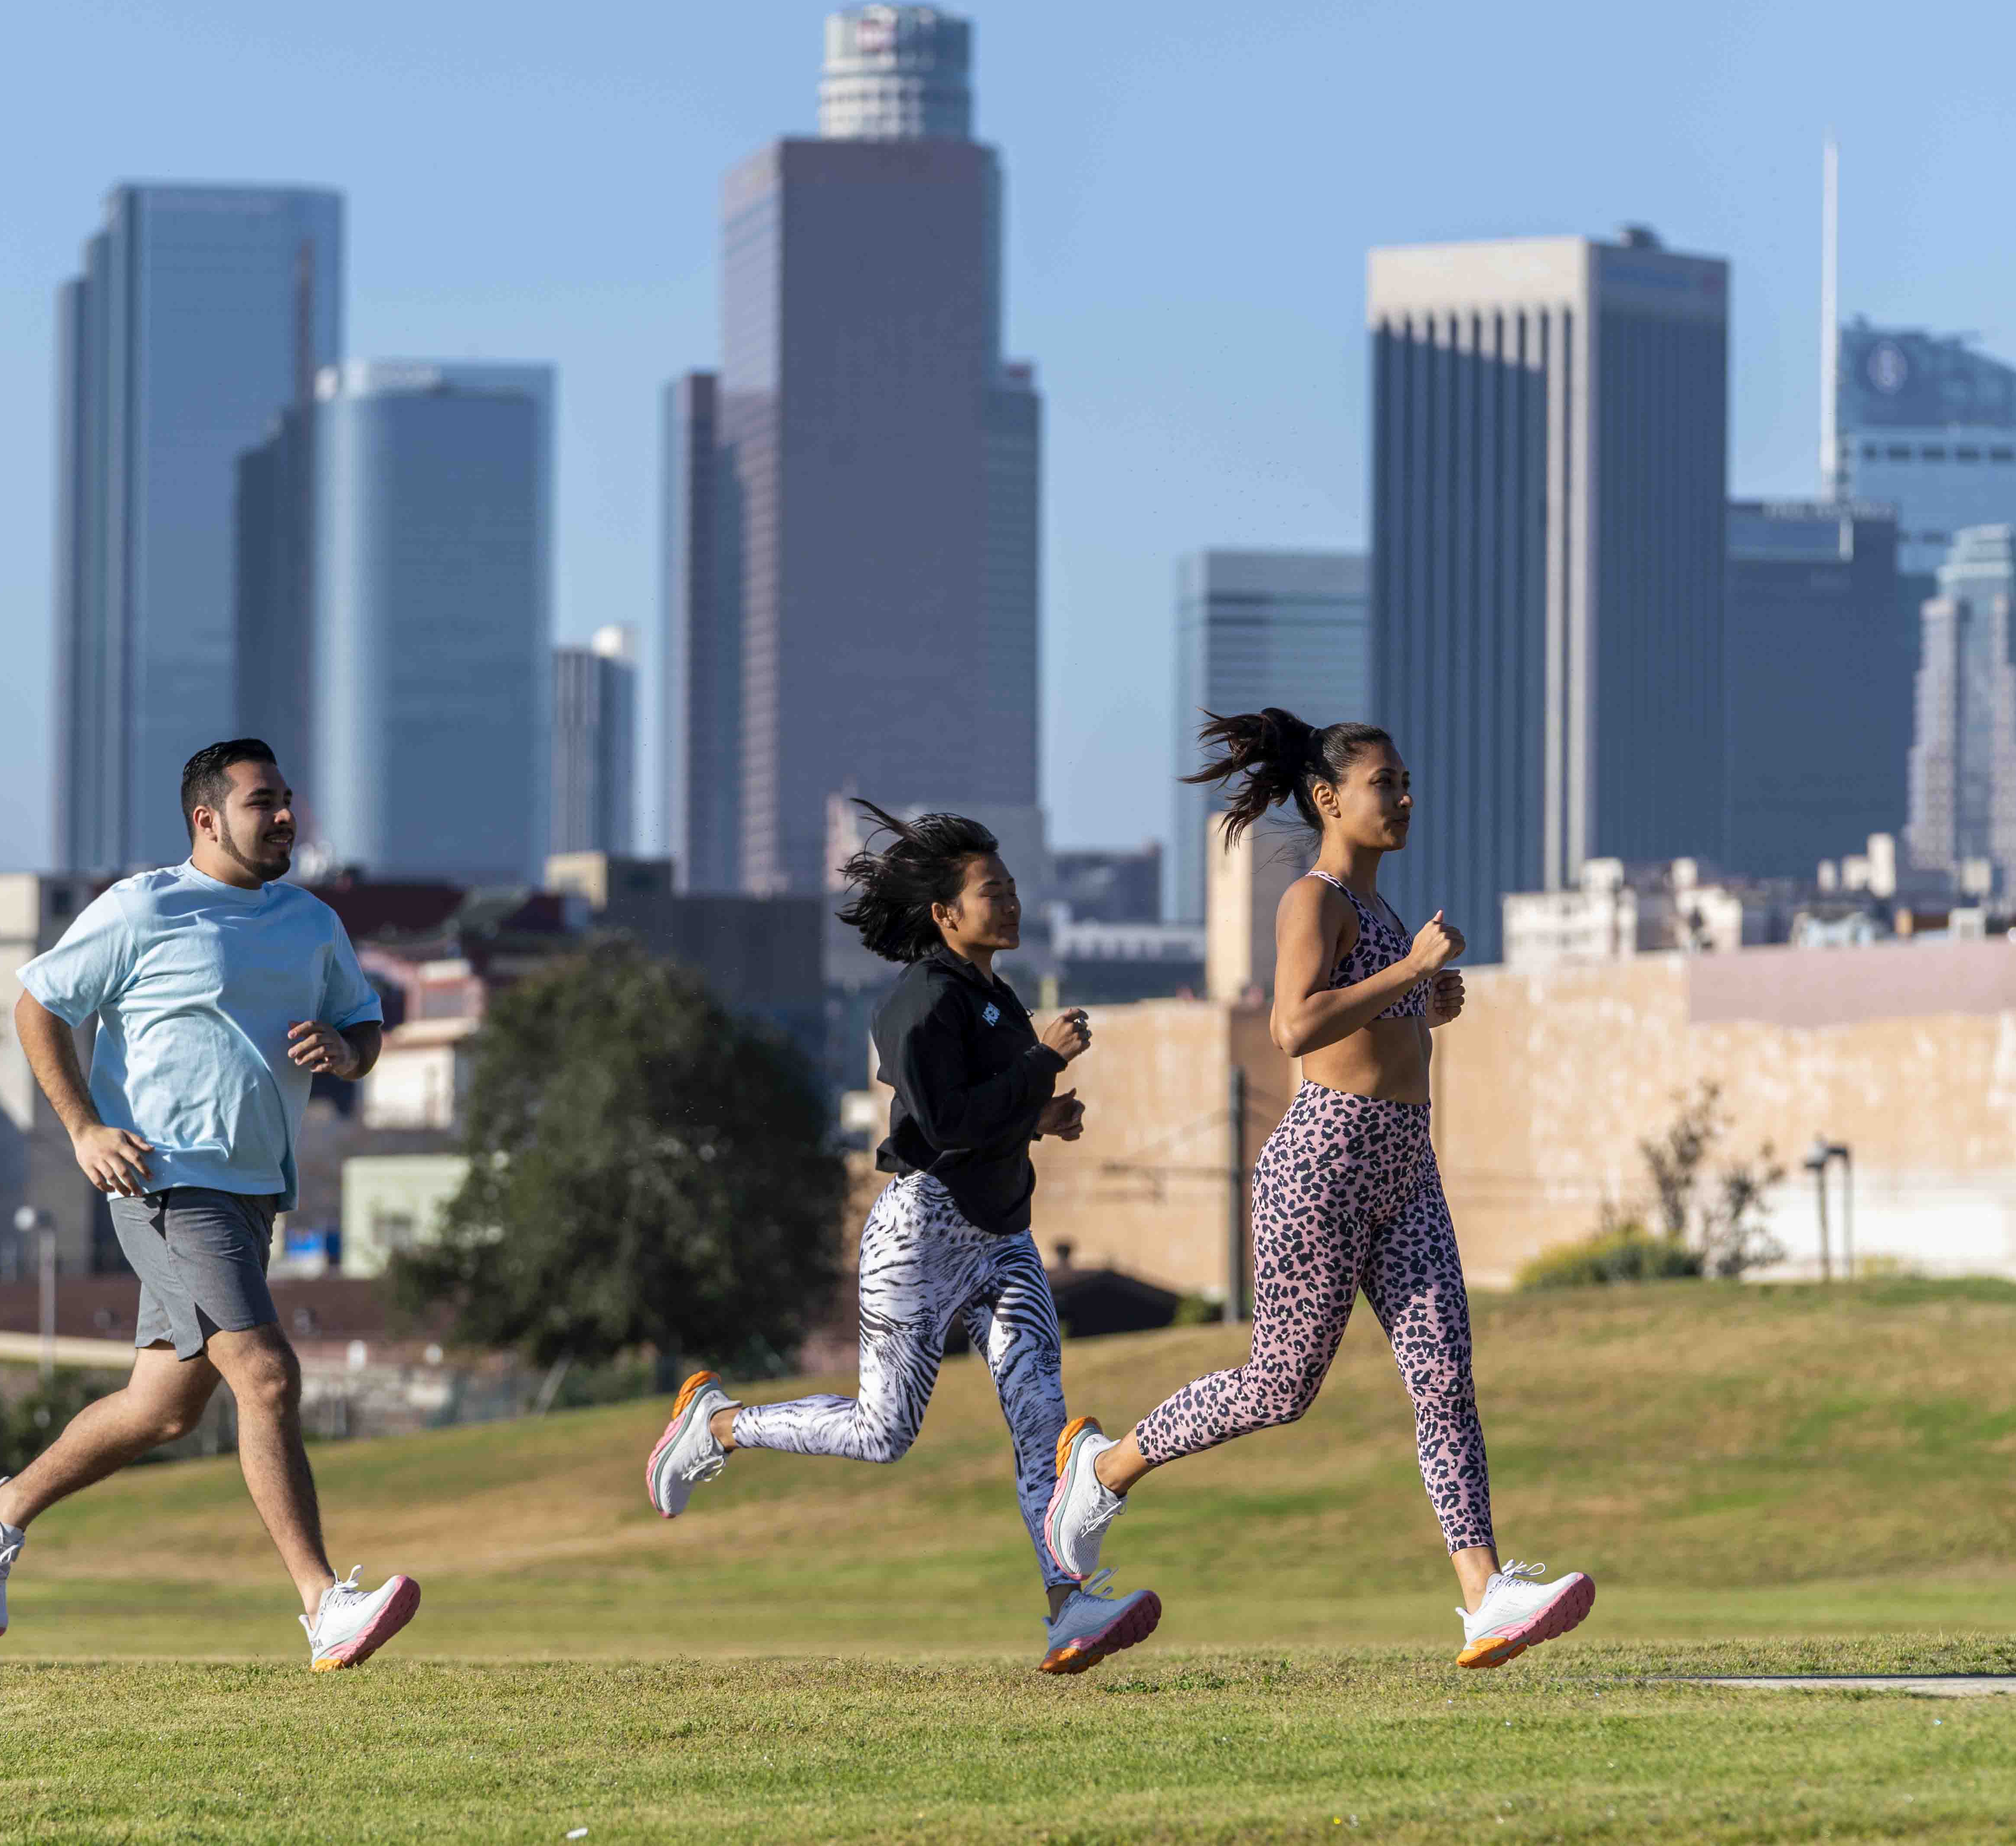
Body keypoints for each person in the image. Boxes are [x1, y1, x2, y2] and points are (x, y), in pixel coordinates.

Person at [1038, 710, 1594, 1669]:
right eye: (1388, 783)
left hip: (1405, 1165)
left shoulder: (1380, 911)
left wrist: (1429, 1004)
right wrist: (1415, 970)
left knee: (1445, 1376)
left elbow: (1371, 1024)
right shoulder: (1315, 897)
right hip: (1322, 1165)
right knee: (1279, 1385)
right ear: (1332, 799)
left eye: (1408, 779)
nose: (1406, 796)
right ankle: (1105, 1464)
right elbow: (1293, 1026)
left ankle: (1484, 1596)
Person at [640, 802, 1160, 1675]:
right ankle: (719, 1424)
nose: (1012, 900)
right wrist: (1040, 1065)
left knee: (1043, 1426)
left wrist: (1038, 1116)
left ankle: (1070, 1607)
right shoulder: (920, 998)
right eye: (992, 889)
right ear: (944, 914)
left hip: (1002, 1238)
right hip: (919, 1231)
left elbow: (980, 1113)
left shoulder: (991, 994)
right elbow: (940, 1122)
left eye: (1011, 885)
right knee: (884, 1434)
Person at [0, 737, 420, 1672]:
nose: (285, 815)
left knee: (162, 1407)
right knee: (268, 1374)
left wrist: (347, 1049)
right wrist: (83, 1128)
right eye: (261, 802)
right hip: (166, 1182)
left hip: (254, 1192)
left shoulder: (310, 919)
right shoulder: (143, 907)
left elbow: (364, 1022)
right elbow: (39, 1003)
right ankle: (324, 1603)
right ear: (206, 818)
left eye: (286, 798)